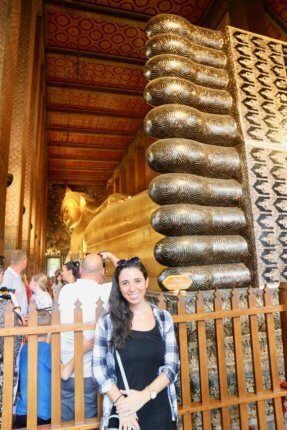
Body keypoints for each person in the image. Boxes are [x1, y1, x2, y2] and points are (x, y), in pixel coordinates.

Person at [92, 257, 180, 430]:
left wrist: (144, 395)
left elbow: (172, 366)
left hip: (158, 408)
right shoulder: (108, 322)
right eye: (125, 283)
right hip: (124, 414)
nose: (132, 288)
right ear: (118, 286)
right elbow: (99, 371)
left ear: (146, 282)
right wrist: (123, 405)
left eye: (137, 281)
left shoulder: (163, 318)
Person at [58, 252, 112, 421]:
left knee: (66, 420)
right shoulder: (105, 292)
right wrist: (109, 255)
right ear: (102, 272)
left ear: (80, 269)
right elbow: (125, 271)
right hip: (90, 371)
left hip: (65, 366)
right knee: (88, 421)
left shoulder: (65, 290)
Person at [14, 310, 52, 427]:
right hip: (42, 414)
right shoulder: (48, 350)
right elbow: (64, 374)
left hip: (21, 412)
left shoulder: (24, 348)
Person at [2, 250, 28, 317]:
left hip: (20, 320)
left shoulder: (16, 276)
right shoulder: (8, 276)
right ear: (24, 262)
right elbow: (3, 296)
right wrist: (17, 317)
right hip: (13, 321)